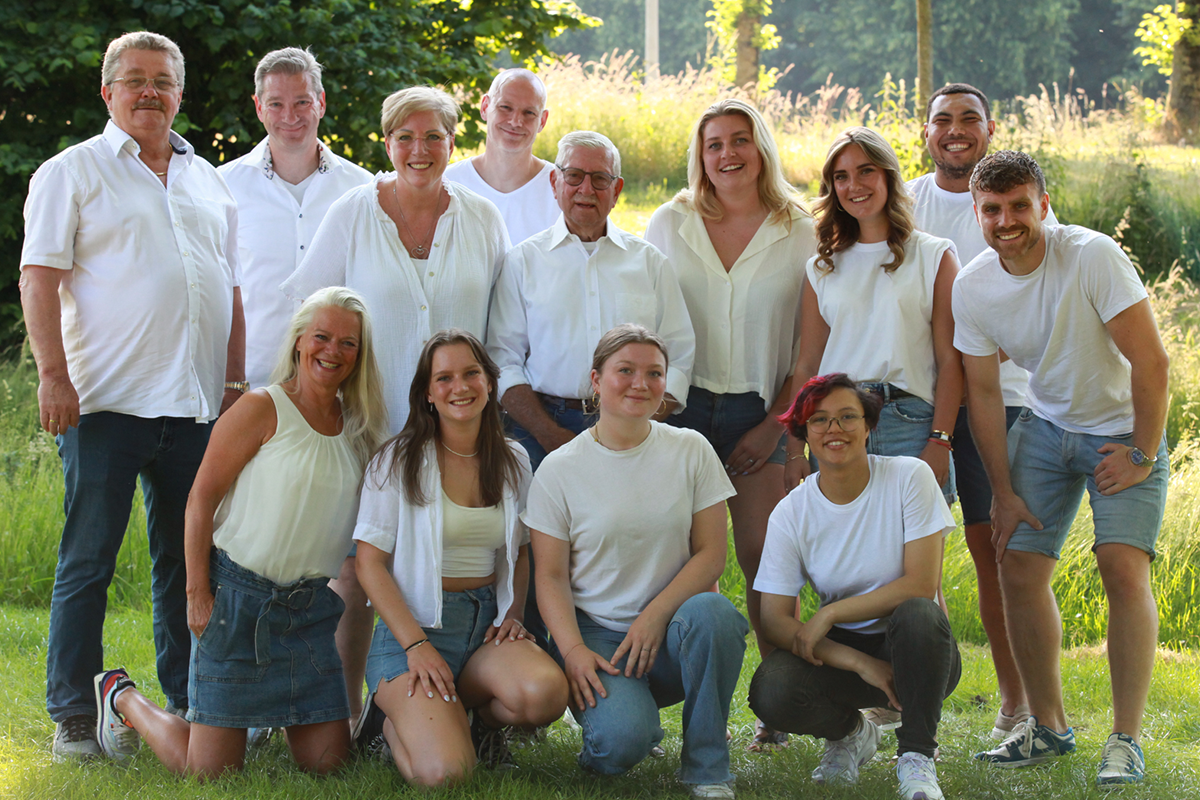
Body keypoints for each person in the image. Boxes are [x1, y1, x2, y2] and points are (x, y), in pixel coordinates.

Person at [18, 30, 244, 761]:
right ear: (107, 91)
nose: (151, 91)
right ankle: (74, 715)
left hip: (194, 406)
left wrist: (235, 385)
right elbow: (40, 278)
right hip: (103, 406)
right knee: (89, 560)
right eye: (135, 79)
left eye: (164, 80)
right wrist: (54, 376)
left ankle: (188, 697)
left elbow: (229, 290)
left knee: (189, 561)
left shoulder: (207, 178)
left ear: (180, 92)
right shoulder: (71, 172)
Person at [91, 287, 389, 777]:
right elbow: (200, 499)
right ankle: (120, 696)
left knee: (329, 764)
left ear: (360, 355)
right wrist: (196, 591)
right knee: (209, 772)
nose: (332, 351)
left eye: (348, 343)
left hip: (308, 611)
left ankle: (261, 719)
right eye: (321, 337)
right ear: (298, 341)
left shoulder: (360, 428)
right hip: (238, 601)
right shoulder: (261, 407)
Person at [956, 151, 1170, 786]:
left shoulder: (1091, 255)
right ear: (976, 214)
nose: (1006, 220)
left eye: (1020, 205)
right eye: (992, 210)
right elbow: (986, 394)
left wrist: (1142, 454)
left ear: (1044, 206)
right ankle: (1047, 727)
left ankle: (1125, 740)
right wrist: (1001, 489)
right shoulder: (972, 286)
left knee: (1121, 567)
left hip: (1125, 430)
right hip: (1046, 429)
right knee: (1016, 565)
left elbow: (1153, 364)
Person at [643, 97, 815, 750]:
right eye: (714, 144)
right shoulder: (671, 221)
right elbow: (651, 319)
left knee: (765, 561)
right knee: (683, 565)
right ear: (700, 155)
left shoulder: (797, 228)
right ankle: (671, 714)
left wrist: (779, 426)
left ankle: (778, 709)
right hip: (680, 409)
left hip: (759, 409)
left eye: (740, 140)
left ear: (761, 147)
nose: (727, 154)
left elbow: (807, 347)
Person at [218, 45, 374, 727]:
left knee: (343, 551)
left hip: (342, 398)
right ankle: (243, 703)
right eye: (275, 103)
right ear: (258, 107)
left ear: (321, 102)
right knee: (255, 547)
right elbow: (222, 293)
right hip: (256, 396)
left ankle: (334, 705)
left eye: (301, 100)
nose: (289, 115)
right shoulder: (222, 186)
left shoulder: (362, 188)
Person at [525, 324, 748, 800]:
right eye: (624, 370)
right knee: (619, 746)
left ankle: (707, 769)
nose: (640, 384)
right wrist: (572, 652)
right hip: (601, 638)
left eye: (654, 373)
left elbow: (711, 554)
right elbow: (548, 575)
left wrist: (655, 616)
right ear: (595, 379)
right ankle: (624, 724)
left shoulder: (691, 449)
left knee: (717, 615)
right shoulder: (559, 470)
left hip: (672, 632)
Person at [907, 84, 1063, 741]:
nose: (956, 130)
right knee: (912, 552)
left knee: (998, 549)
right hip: (925, 397)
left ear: (990, 128)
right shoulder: (908, 198)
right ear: (926, 132)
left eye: (969, 118)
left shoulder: (1018, 204)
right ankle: (906, 693)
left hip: (1005, 400)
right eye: (943, 120)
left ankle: (1018, 701)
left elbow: (1044, 294)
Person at [351, 330, 569, 786]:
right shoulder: (395, 460)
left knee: (545, 695)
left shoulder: (512, 459)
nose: (460, 387)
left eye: (471, 373)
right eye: (444, 378)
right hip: (412, 630)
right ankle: (389, 727)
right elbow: (368, 564)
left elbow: (521, 551)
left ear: (490, 383)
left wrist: (512, 611)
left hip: (483, 626)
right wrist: (416, 644)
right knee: (447, 774)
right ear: (428, 394)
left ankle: (478, 726)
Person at [748, 373, 959, 800]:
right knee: (772, 691)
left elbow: (920, 585)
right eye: (820, 420)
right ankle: (851, 735)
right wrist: (858, 662)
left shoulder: (909, 477)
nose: (834, 430)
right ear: (804, 432)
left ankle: (916, 757)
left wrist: (829, 613)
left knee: (918, 613)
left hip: (917, 649)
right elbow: (773, 620)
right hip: (844, 653)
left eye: (848, 417)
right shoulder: (791, 512)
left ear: (869, 425)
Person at [282, 84, 510, 434]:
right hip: (371, 429)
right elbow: (309, 313)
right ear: (387, 145)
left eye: (433, 136)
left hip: (463, 434)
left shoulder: (483, 219)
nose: (419, 150)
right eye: (405, 137)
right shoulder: (353, 212)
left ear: (451, 143)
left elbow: (503, 326)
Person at [487, 130, 694, 471]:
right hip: (541, 431)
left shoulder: (649, 263)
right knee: (542, 525)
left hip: (634, 426)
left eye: (600, 178)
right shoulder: (522, 262)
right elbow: (503, 360)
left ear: (617, 190)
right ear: (555, 182)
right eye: (574, 176)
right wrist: (548, 433)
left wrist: (636, 423)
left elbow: (679, 357)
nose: (586, 189)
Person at [786, 127, 962, 509]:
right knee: (843, 556)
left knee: (916, 559)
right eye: (841, 176)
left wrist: (940, 440)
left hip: (910, 422)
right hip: (836, 423)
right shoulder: (822, 266)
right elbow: (807, 365)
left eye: (866, 171)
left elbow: (951, 361)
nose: (855, 185)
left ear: (888, 175)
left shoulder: (934, 256)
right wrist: (794, 451)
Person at [443, 69, 558, 244]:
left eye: (529, 113)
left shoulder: (562, 190)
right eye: (505, 107)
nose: (515, 122)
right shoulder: (447, 184)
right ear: (484, 107)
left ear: (542, 120)